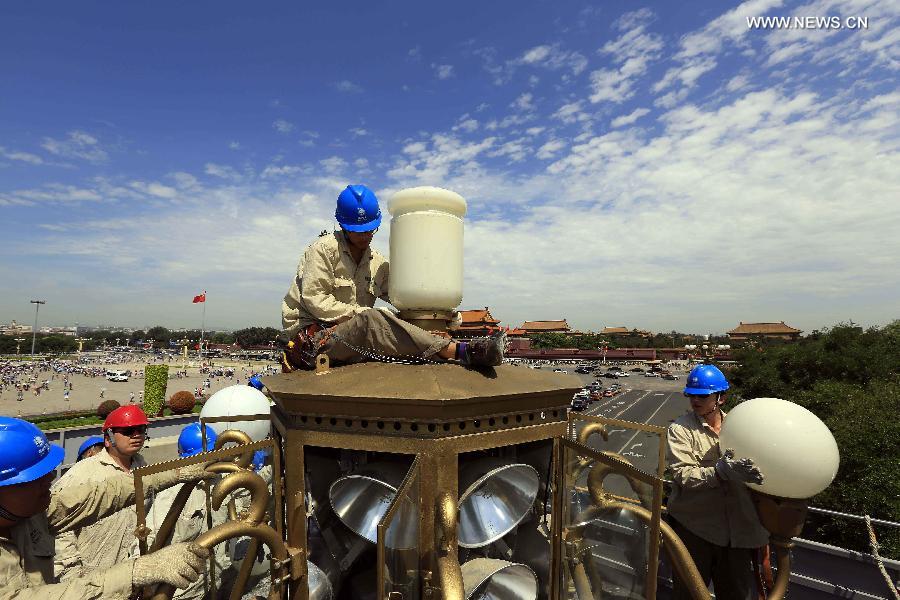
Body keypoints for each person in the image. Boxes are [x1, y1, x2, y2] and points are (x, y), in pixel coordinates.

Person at [281, 184, 505, 371]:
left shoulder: (377, 263)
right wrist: (362, 314)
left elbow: (405, 298)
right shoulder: (322, 250)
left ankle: (454, 345)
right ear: (343, 226)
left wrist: (443, 313)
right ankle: (462, 351)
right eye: (359, 231)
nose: (366, 236)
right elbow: (315, 300)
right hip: (313, 339)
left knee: (388, 320)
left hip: (354, 335)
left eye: (371, 230)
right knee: (373, 320)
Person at [0, 416, 211, 599]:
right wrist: (135, 572)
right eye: (36, 476)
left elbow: (102, 495)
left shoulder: (32, 511)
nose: (51, 478)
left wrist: (174, 474)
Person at [665, 363, 769, 600]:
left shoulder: (741, 427)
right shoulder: (681, 429)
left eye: (703, 396)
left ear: (720, 397)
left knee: (735, 594)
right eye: (692, 395)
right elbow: (682, 474)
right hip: (695, 528)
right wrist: (720, 472)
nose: (695, 401)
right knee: (689, 593)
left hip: (738, 533)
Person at [52, 406, 152, 581]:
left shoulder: (142, 466)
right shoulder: (82, 473)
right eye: (128, 431)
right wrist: (72, 570)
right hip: (91, 578)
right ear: (108, 438)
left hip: (131, 573)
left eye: (141, 429)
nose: (136, 435)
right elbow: (56, 522)